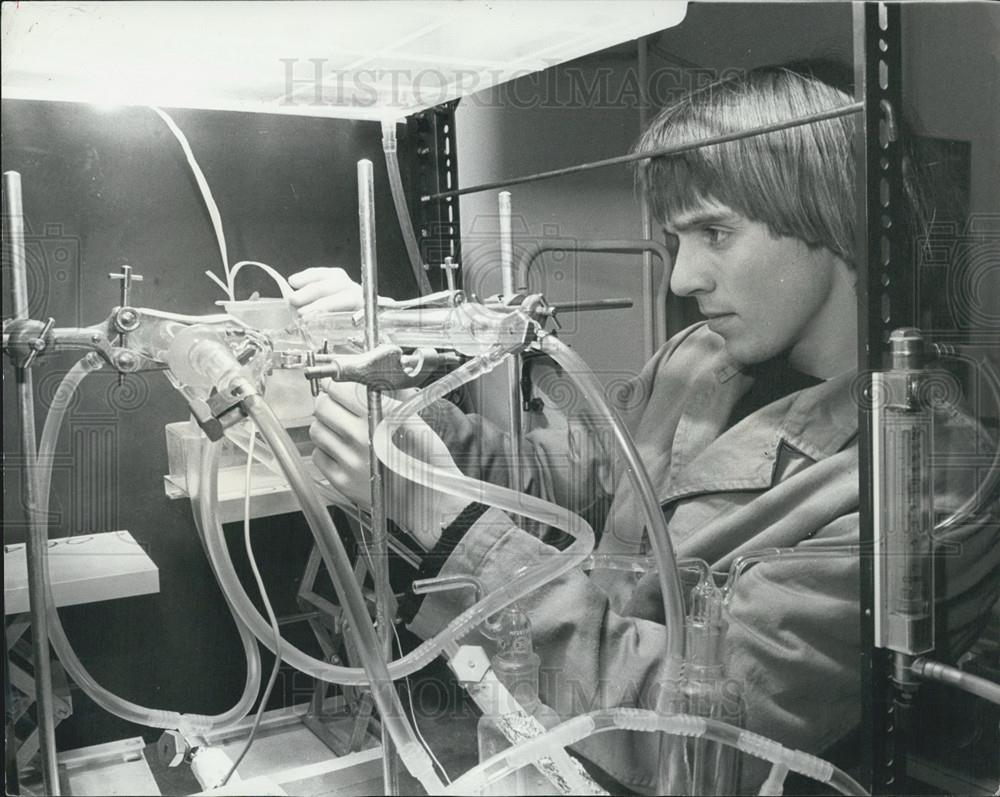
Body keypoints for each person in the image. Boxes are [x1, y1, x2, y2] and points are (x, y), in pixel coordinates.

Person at [291, 66, 999, 793]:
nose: (680, 280)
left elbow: (700, 735)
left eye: (715, 232)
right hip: (562, 750)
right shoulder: (697, 362)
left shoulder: (926, 476)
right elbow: (556, 482)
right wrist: (406, 401)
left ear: (833, 216)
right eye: (676, 239)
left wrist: (444, 520)